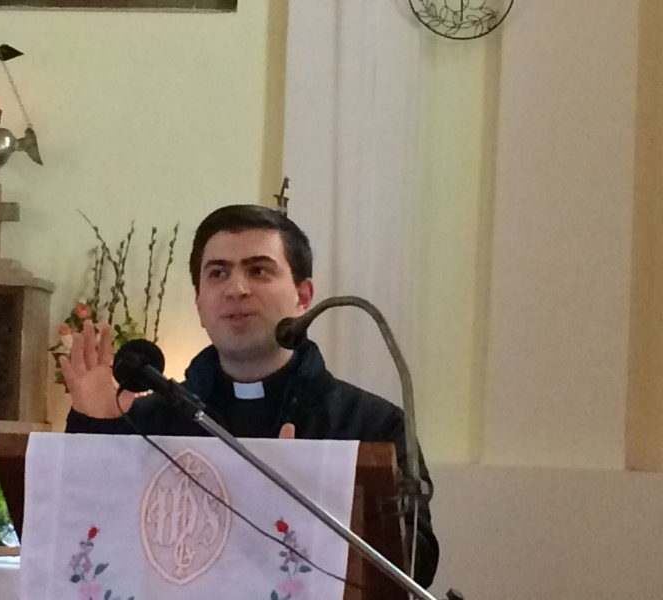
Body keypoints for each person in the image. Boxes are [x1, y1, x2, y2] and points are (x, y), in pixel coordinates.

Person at [64, 204, 439, 587]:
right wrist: (95, 428)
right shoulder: (149, 421)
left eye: (258, 270)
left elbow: (417, 567)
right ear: (199, 303)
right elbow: (82, 541)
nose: (236, 289)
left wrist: (312, 496)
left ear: (303, 296)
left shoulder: (371, 424)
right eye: (218, 273)